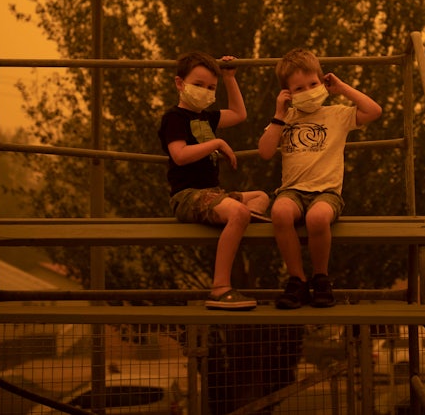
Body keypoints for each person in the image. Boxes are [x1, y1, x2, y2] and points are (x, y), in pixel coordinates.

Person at [258, 48, 382, 308]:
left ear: (323, 81)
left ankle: (321, 278)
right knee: (279, 212)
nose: (308, 90)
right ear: (288, 93)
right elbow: (265, 152)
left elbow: (374, 111)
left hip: (326, 193)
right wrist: (279, 115)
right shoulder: (285, 119)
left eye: (313, 84)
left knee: (317, 218)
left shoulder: (337, 114)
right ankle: (297, 280)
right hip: (291, 191)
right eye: (299, 88)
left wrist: (342, 88)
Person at [159, 51, 269, 310]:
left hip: (213, 194)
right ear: (179, 83)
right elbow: (179, 155)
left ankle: (233, 219)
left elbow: (239, 114)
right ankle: (220, 288)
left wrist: (229, 78)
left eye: (211, 87)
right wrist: (217, 143)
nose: (205, 91)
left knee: (262, 197)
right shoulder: (174, 118)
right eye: (198, 85)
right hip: (188, 195)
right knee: (241, 212)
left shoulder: (207, 118)